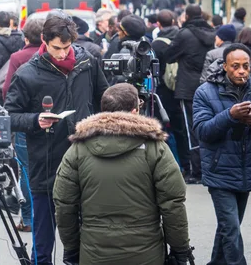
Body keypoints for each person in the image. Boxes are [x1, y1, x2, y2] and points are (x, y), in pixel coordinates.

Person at [4, 14, 109, 265]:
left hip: (86, 157)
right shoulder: (27, 73)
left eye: (67, 47)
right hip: (46, 161)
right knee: (44, 238)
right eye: (56, 48)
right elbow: (9, 115)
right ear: (43, 40)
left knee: (85, 231)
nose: (62, 54)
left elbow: (103, 97)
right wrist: (34, 120)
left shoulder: (87, 62)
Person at [53, 83, 191, 265]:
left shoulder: (78, 150)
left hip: (94, 252)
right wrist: (180, 250)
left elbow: (64, 204)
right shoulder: (155, 148)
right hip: (146, 253)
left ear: (102, 111)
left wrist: (71, 248)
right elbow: (173, 204)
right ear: (134, 112)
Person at [193, 44, 251, 265]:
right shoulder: (205, 92)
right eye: (235, 66)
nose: (241, 71)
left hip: (246, 170)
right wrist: (229, 115)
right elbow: (202, 131)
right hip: (219, 172)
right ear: (225, 67)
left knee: (229, 226)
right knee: (231, 230)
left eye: (246, 66)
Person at [1, 17, 45, 232]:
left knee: (27, 171)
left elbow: (7, 89)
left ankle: (28, 219)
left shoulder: (18, 57)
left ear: (26, 36)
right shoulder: (51, 56)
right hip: (50, 118)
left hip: (25, 121)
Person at [164, 4, 216, 184]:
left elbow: (169, 56)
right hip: (210, 85)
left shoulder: (184, 34)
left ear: (186, 16)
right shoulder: (213, 33)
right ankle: (210, 166)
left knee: (191, 129)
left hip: (188, 88)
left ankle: (196, 171)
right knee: (210, 125)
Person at [151, 9, 190, 176]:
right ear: (174, 21)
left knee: (162, 130)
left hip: (164, 92)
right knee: (182, 130)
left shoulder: (156, 44)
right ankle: (187, 165)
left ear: (158, 24)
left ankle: (167, 165)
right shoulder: (183, 38)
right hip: (182, 88)